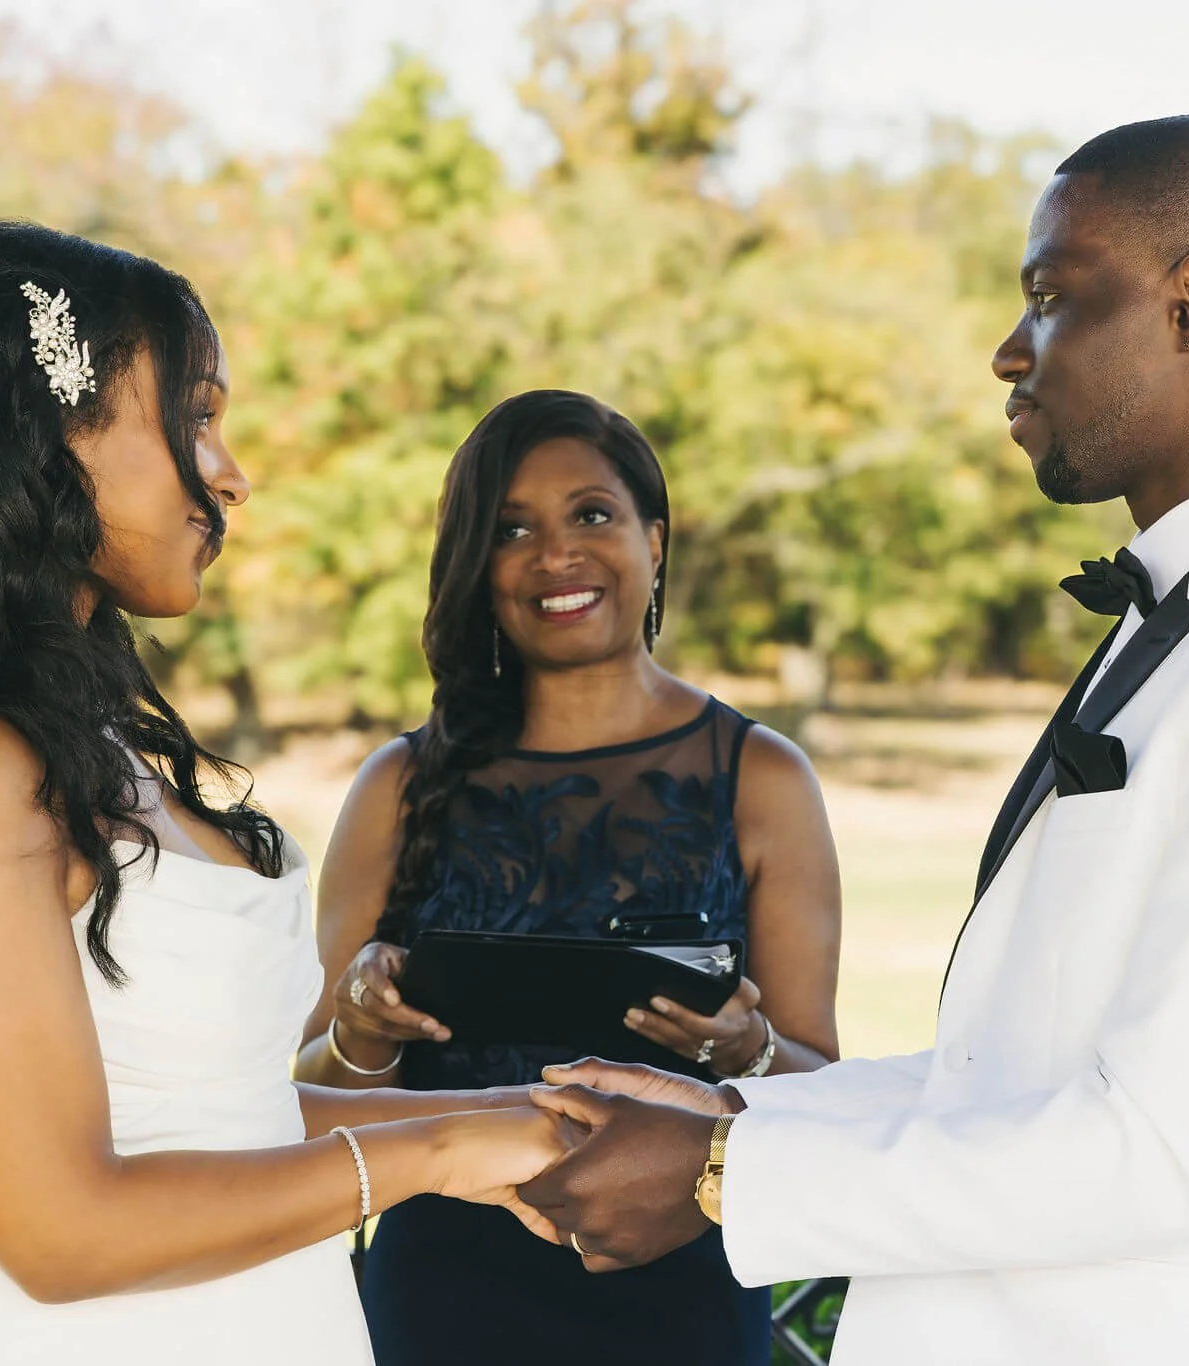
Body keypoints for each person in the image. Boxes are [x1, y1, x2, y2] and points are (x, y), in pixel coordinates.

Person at [514, 116, 1189, 1366]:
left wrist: (725, 1179)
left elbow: (1155, 1152)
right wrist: (728, 1107)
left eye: (1050, 297)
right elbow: (1006, 1076)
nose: (1009, 351)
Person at [0, 221, 572, 1365]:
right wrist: (424, 1161)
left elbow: (223, 1121)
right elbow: (59, 1231)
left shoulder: (82, 744)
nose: (229, 471)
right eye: (195, 416)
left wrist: (511, 1118)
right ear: (44, 436)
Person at [291, 389, 843, 1366]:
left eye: (591, 514)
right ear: (476, 565)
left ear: (655, 540)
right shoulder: (397, 784)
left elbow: (822, 1091)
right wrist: (363, 1030)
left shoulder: (758, 777)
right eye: (512, 528)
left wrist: (746, 1045)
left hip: (681, 1292)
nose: (556, 554)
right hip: (439, 1293)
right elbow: (304, 1091)